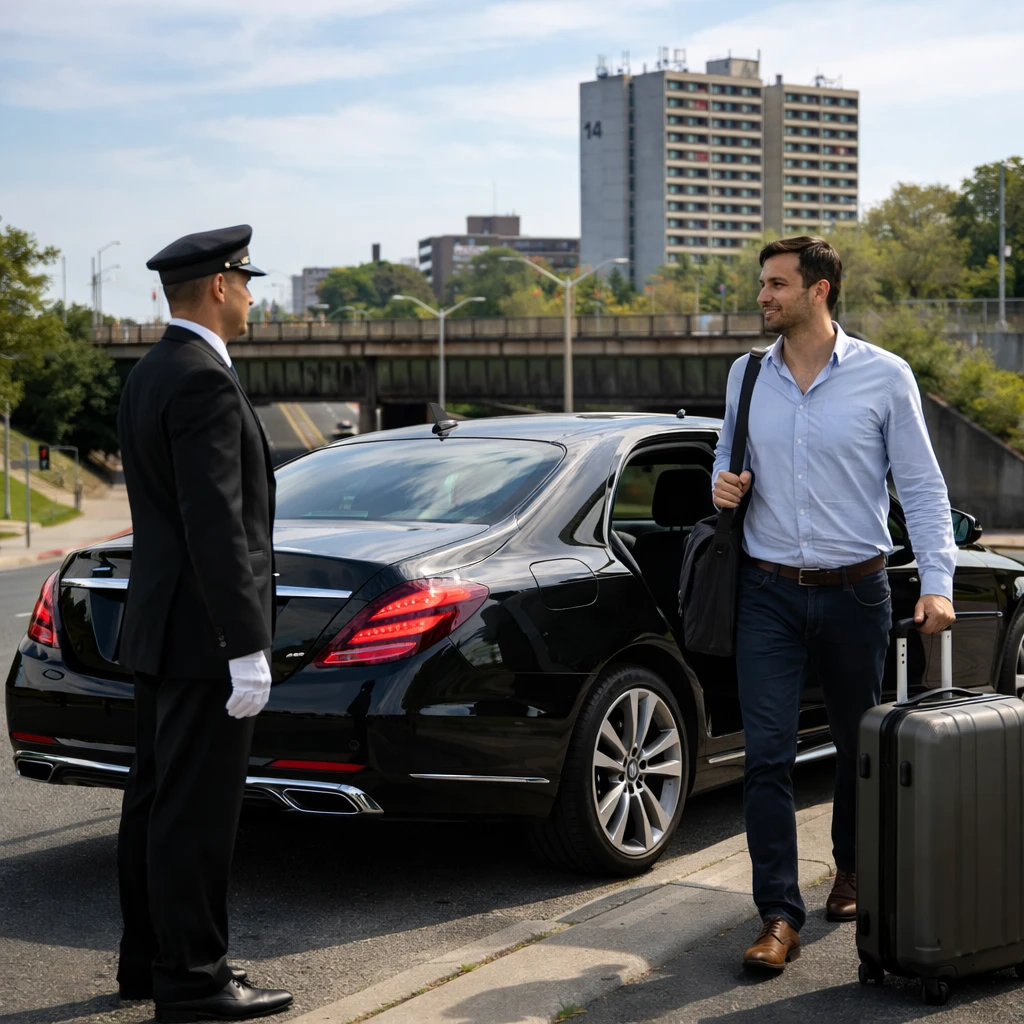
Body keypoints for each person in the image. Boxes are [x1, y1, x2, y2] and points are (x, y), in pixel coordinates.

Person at [712, 236, 956, 973]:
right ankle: (777, 915)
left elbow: (922, 486)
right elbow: (725, 460)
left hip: (857, 591)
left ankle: (850, 870)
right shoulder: (746, 374)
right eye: (763, 283)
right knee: (767, 756)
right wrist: (721, 485)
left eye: (776, 284)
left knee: (859, 749)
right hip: (767, 592)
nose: (763, 296)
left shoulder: (885, 375)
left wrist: (938, 580)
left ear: (818, 291)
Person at [116, 225, 293, 1020]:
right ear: (219, 286)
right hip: (203, 640)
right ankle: (194, 981)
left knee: (156, 802)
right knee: (197, 813)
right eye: (247, 282)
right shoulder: (204, 381)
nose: (252, 297)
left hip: (163, 630)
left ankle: (150, 963)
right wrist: (244, 645)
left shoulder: (151, 371)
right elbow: (217, 525)